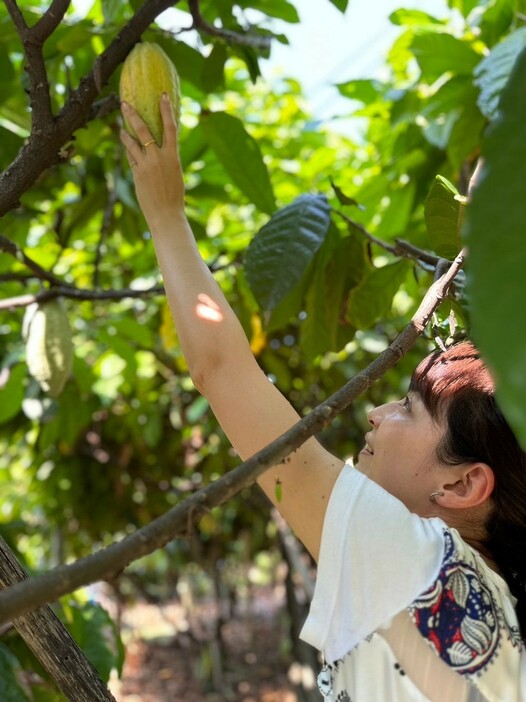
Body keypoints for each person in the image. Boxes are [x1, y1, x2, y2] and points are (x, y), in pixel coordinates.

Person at [120, 95, 526, 701]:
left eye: (410, 408)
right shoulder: (496, 610)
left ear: (463, 485)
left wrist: (164, 209)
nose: (376, 412)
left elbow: (221, 370)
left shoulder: (421, 565)